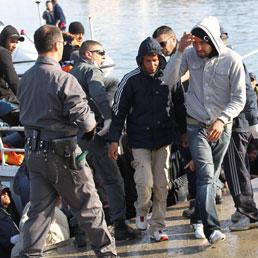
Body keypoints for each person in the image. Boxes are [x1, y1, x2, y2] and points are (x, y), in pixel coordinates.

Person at [17, 25, 116, 257]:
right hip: (63, 155)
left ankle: (31, 254)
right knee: (89, 207)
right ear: (57, 46)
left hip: (33, 154)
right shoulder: (64, 79)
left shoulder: (26, 78)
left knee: (39, 213)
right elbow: (87, 123)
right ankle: (107, 253)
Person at [163, 16, 246, 244]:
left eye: (203, 43)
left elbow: (239, 98)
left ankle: (197, 218)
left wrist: (222, 120)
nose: (198, 47)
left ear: (214, 41)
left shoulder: (233, 60)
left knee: (207, 178)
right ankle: (212, 228)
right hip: (196, 125)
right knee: (207, 175)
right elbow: (169, 80)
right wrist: (179, 52)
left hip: (222, 127)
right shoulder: (189, 54)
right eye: (195, 42)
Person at [108, 37, 186, 242]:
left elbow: (179, 106)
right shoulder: (130, 80)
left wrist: (185, 133)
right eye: (147, 61)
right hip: (139, 140)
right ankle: (141, 212)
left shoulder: (171, 77)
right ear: (140, 61)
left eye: (155, 60)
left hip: (164, 139)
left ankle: (158, 227)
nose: (152, 65)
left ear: (160, 59)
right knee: (145, 183)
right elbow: (118, 112)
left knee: (162, 184)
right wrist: (114, 140)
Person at [70, 40, 138, 241]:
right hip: (93, 138)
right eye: (101, 52)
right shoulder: (91, 71)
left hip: (74, 139)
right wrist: (108, 118)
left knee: (80, 186)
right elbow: (98, 93)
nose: (103, 56)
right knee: (113, 180)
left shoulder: (69, 75)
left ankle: (81, 233)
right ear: (89, 54)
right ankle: (120, 225)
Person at [0, 25, 24, 125]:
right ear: (4, 39)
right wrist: (26, 97)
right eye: (12, 41)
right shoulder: (3, 53)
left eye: (16, 42)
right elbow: (13, 81)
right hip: (3, 100)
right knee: (28, 119)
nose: (14, 45)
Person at [0, 184, 20, 258]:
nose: (6, 194)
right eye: (2, 193)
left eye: (6, 192)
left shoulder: (11, 211)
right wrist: (9, 241)